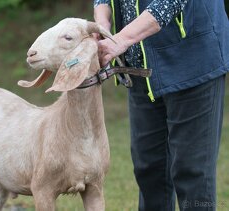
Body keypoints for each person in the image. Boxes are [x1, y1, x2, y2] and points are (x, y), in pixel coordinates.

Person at [93, 0, 229, 211]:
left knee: (192, 173)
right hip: (141, 71)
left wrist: (120, 39)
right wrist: (101, 26)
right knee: (149, 170)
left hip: (192, 63)